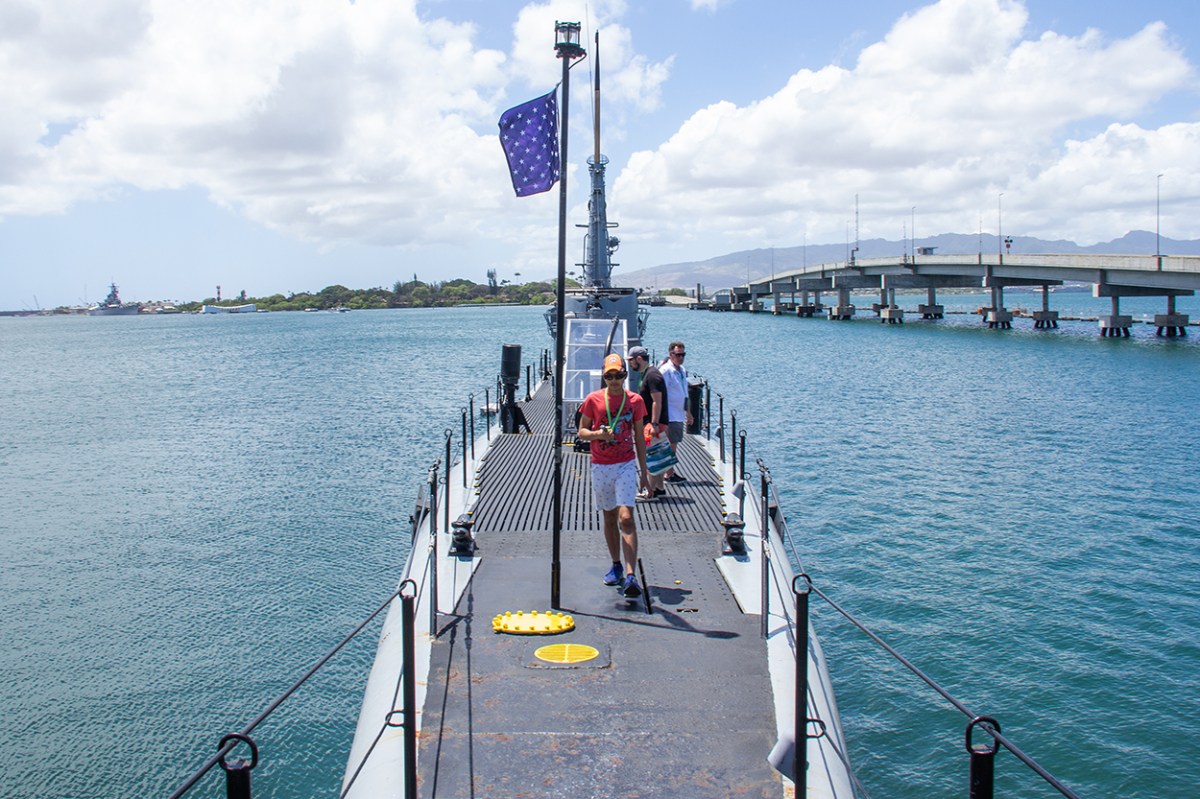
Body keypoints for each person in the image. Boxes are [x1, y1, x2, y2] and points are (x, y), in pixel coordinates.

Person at [577, 353, 650, 597]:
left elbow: (639, 436)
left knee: (626, 517)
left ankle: (631, 575)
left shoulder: (635, 401)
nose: (614, 380)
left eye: (618, 375)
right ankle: (616, 564)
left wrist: (644, 472)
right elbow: (581, 432)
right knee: (609, 516)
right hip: (601, 464)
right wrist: (598, 434)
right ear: (604, 377)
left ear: (625, 375)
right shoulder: (593, 399)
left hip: (625, 464)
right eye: (609, 376)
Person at [632, 346, 667, 500]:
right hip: (652, 423)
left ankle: (650, 490)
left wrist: (654, 424)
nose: (630, 364)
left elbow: (656, 401)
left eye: (631, 361)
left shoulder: (652, 375)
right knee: (658, 455)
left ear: (639, 359)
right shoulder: (648, 374)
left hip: (652, 424)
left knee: (651, 456)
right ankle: (659, 487)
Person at [658, 341, 692, 483]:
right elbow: (660, 393)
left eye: (683, 355)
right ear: (671, 354)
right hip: (670, 414)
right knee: (670, 444)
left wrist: (688, 412)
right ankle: (668, 474)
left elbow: (684, 393)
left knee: (674, 443)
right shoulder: (666, 371)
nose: (681, 357)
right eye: (678, 355)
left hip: (679, 414)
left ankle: (669, 472)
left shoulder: (682, 370)